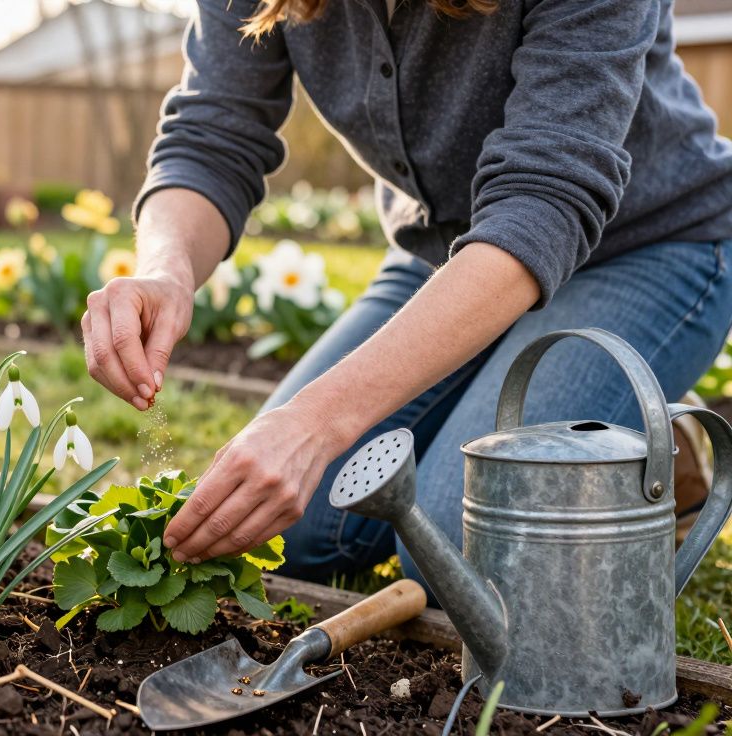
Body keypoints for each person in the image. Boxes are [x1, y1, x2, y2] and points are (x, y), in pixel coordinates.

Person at [80, 0, 732, 586]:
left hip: (649, 247)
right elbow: (212, 136)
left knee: (460, 546)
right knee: (286, 530)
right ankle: (584, 425)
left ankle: (639, 449)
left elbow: (543, 201)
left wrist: (318, 420)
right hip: (444, 257)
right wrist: (165, 268)